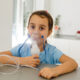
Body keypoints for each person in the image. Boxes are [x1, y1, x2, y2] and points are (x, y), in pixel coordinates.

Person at [0, 10, 78, 79]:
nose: (36, 32)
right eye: (33, 27)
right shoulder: (21, 48)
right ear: (28, 29)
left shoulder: (52, 51)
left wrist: (54, 71)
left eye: (41, 28)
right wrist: (21, 61)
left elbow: (73, 63)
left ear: (49, 32)